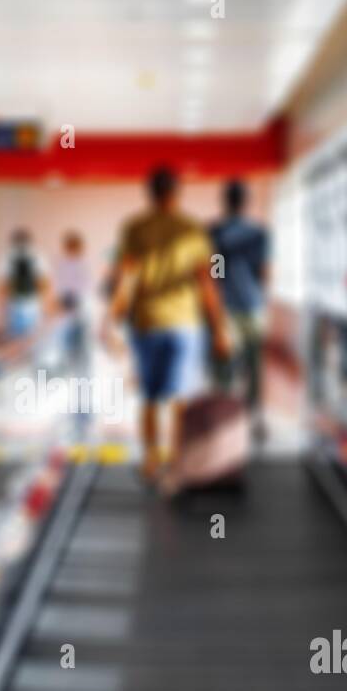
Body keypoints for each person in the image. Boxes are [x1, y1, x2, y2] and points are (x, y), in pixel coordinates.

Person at [102, 165, 230, 485]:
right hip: (185, 323)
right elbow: (207, 281)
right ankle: (175, 465)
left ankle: (149, 461)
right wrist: (219, 330)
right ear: (177, 193)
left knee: (149, 395)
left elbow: (126, 277)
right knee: (179, 399)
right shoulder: (194, 230)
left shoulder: (133, 228)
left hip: (146, 323)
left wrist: (112, 319)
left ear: (150, 193)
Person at [208, 178, 271, 441]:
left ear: (225, 201)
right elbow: (262, 272)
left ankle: (222, 422)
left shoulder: (213, 232)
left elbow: (215, 270)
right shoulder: (259, 233)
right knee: (254, 364)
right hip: (252, 304)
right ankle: (254, 418)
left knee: (223, 364)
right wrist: (255, 293)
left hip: (224, 306)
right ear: (245, 202)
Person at [0, 228, 52, 338]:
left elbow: (44, 280)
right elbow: (2, 281)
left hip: (27, 300)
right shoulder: (9, 256)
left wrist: (45, 300)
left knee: (27, 334)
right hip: (20, 300)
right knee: (25, 334)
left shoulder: (35, 256)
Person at [54, 231, 91, 363]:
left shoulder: (81, 263)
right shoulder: (63, 263)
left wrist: (75, 299)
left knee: (78, 332)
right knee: (65, 332)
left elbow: (84, 284)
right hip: (67, 300)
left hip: (78, 301)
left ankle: (75, 357)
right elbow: (60, 283)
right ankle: (67, 358)